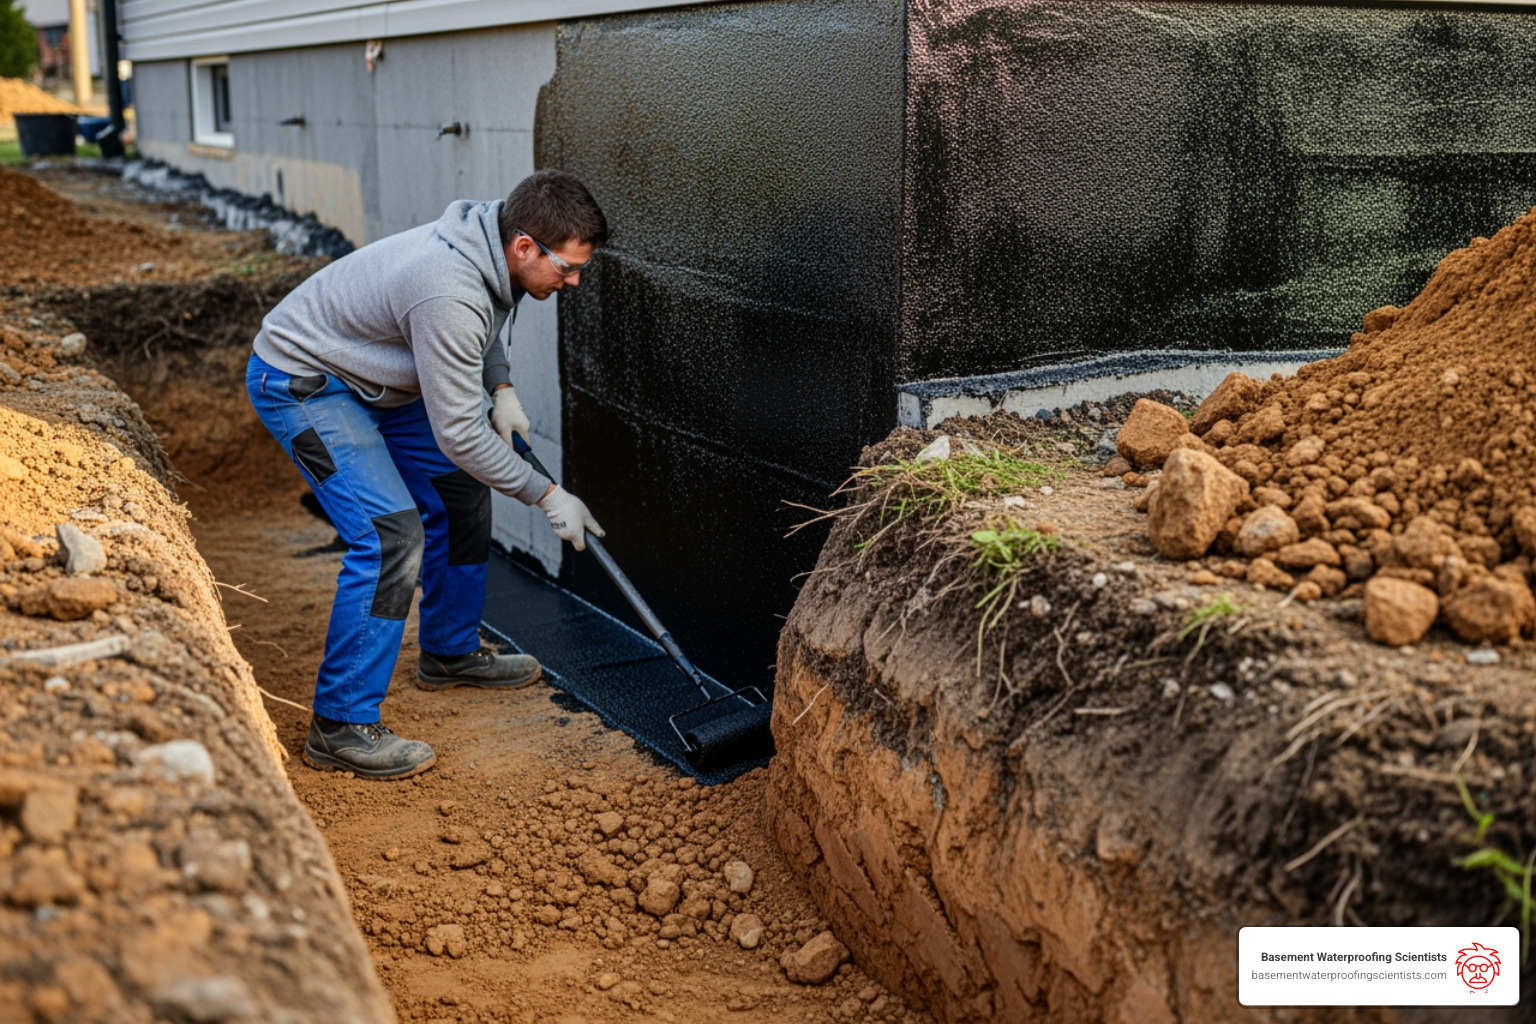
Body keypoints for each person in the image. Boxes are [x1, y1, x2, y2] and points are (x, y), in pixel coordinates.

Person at [245, 170, 607, 780]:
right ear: (525, 246)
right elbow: (460, 432)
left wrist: (502, 387)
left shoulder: (493, 242)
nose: (571, 281)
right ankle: (340, 725)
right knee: (391, 536)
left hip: (377, 379)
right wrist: (547, 495)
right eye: (566, 269)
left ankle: (449, 651)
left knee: (461, 493)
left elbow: (487, 313)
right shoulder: (446, 286)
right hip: (306, 381)